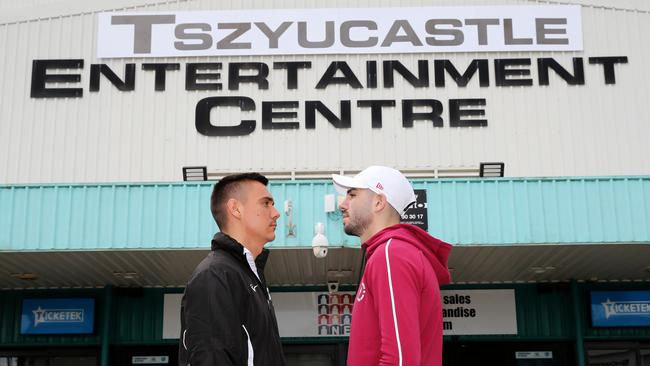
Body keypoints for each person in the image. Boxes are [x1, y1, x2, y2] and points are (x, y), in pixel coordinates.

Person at [332, 166, 452, 366]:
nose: (343, 204)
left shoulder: (390, 254)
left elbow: (400, 361)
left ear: (379, 202)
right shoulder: (393, 252)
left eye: (352, 195)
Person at [179, 173, 286, 366]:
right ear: (236, 209)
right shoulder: (214, 276)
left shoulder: (249, 276)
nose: (276, 212)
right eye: (266, 203)